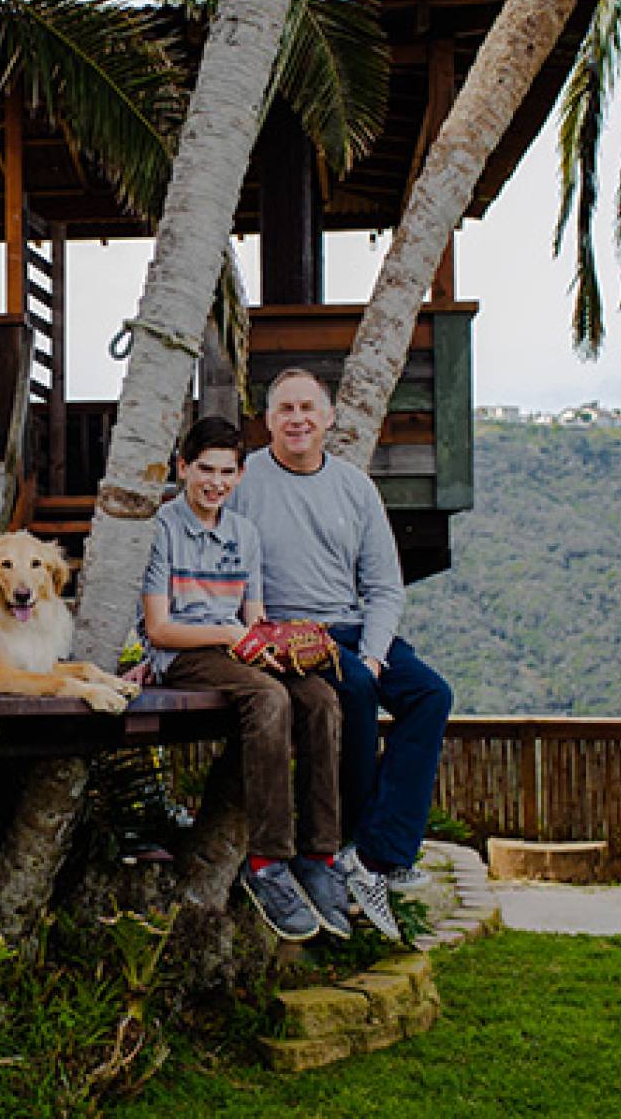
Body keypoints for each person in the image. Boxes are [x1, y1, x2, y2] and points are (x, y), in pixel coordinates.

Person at [227, 368, 454, 941]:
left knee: (430, 694)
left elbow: (384, 588)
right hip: (285, 635)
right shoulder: (245, 480)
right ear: (268, 421)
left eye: (308, 408)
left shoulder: (355, 487)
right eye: (284, 410)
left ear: (328, 419)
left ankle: (378, 856)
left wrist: (376, 655)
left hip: (351, 629)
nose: (297, 419)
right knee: (351, 689)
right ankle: (343, 840)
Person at [140, 416, 350, 942]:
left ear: (239, 476)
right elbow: (161, 630)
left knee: (322, 699)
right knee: (269, 698)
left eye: (228, 472)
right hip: (186, 655)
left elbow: (253, 617)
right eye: (205, 469)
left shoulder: (244, 534)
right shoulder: (161, 529)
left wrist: (277, 642)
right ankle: (266, 863)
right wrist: (231, 634)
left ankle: (319, 854)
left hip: (239, 647)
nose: (216, 482)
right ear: (183, 467)